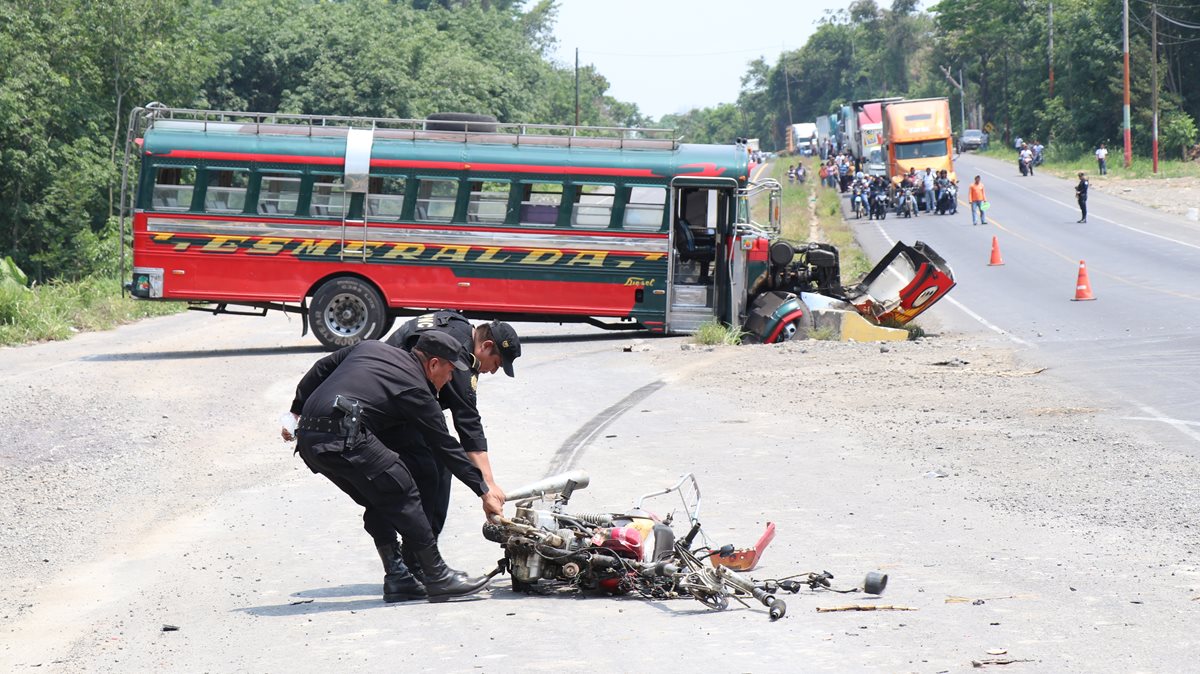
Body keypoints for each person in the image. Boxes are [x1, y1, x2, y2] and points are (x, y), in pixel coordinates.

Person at [284, 331, 505, 603]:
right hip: (342, 436)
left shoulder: (370, 347)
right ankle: (437, 575)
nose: (449, 380)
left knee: (381, 496)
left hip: (309, 438)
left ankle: (398, 577)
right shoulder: (416, 389)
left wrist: (295, 411)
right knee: (402, 486)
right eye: (449, 372)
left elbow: (321, 368)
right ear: (434, 364)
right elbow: (446, 446)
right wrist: (483, 490)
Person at [382, 311, 521, 573]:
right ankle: (422, 564)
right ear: (487, 346)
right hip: (390, 407)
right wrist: (487, 485)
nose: (492, 371)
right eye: (497, 363)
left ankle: (416, 559)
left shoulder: (458, 326)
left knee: (434, 465)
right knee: (435, 470)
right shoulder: (457, 353)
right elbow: (468, 423)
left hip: (390, 394)